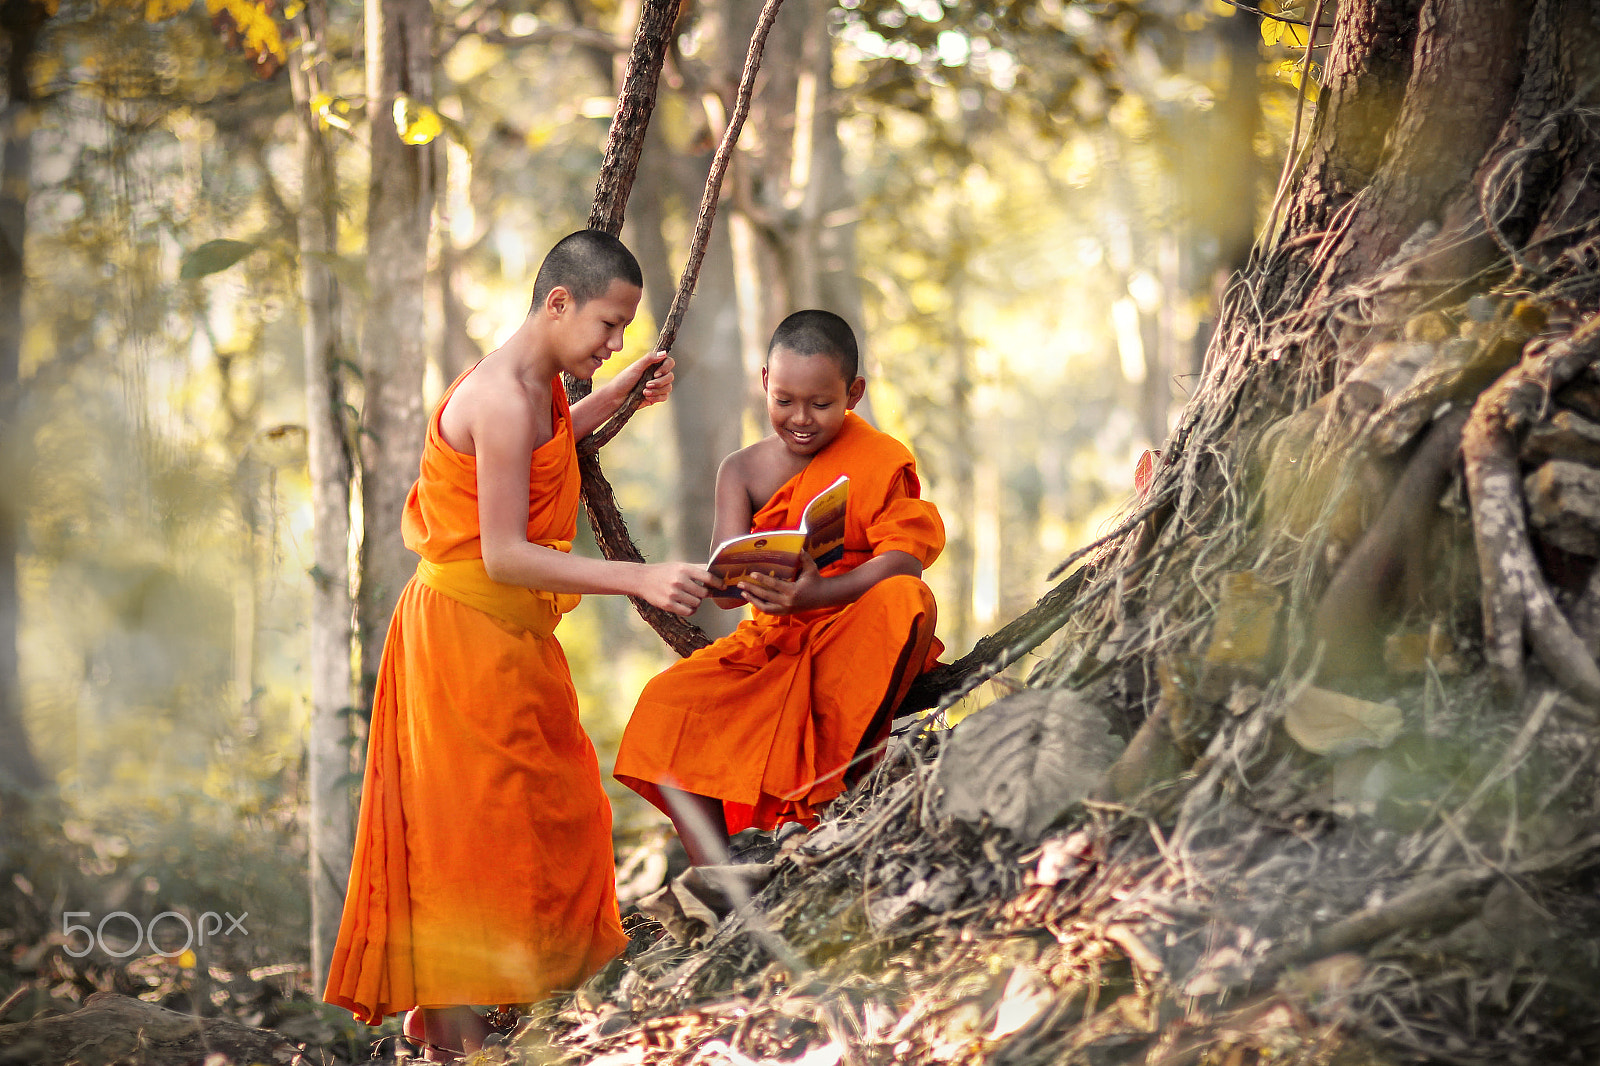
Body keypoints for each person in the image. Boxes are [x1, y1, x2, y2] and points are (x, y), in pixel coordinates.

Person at [322, 230, 716, 1059]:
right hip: (461, 638)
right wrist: (640, 580)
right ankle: (456, 1038)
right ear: (558, 302)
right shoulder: (499, 393)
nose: (614, 345)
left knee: (563, 808)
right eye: (610, 326)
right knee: (473, 837)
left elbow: (546, 448)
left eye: (624, 333)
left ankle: (527, 1010)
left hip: (511, 637)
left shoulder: (541, 385)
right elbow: (501, 551)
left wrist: (619, 399)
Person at [614, 309, 944, 866]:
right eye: (784, 400)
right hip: (770, 641)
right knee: (662, 707)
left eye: (821, 404)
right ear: (764, 381)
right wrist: (738, 580)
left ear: (854, 393)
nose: (801, 419)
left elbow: (905, 558)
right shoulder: (739, 471)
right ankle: (720, 880)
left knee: (907, 600)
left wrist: (816, 595)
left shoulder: (878, 458)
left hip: (849, 627)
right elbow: (724, 589)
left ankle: (841, 786)